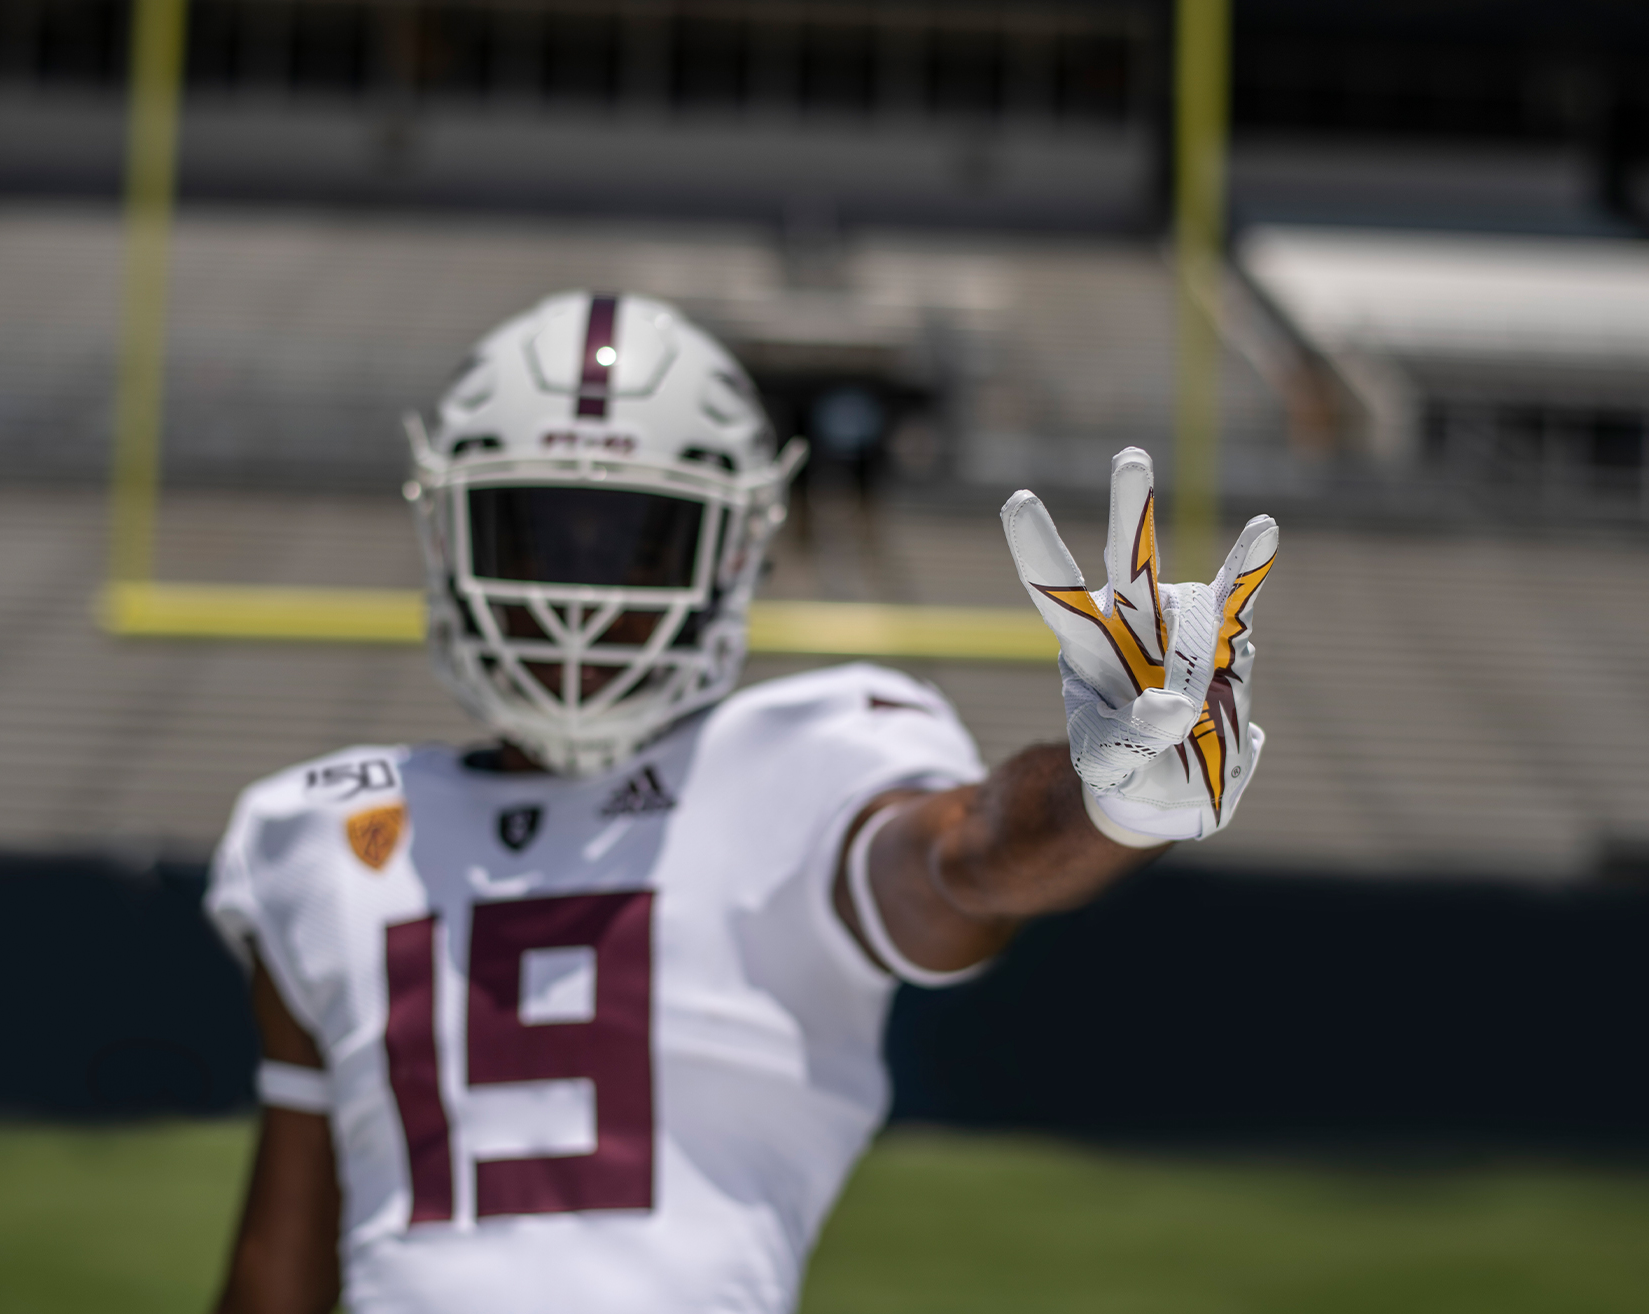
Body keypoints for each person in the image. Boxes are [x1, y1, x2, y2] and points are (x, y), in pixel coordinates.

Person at [205, 290, 1278, 1314]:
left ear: (733, 553)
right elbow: (280, 1268)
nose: (580, 592)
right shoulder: (316, 835)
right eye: (538, 532)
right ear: (450, 535)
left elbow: (966, 858)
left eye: (634, 540)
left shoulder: (804, 759)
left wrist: (1111, 804)